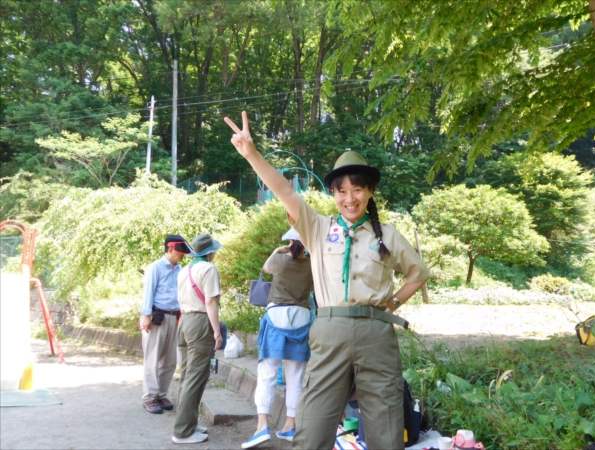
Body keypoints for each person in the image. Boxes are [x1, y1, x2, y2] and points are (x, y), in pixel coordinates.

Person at [225, 112, 430, 450]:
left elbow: (418, 273)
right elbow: (284, 190)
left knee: (387, 425)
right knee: (313, 426)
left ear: (370, 192)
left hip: (377, 335)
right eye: (342, 191)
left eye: (358, 190)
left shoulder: (388, 235)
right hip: (328, 331)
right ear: (333, 193)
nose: (350, 198)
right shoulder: (318, 229)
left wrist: (393, 303)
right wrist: (252, 154)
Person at [242, 228, 314, 449]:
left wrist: (276, 250)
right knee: (296, 376)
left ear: (290, 241)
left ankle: (262, 427)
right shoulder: (313, 265)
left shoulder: (279, 261)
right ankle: (290, 426)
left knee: (267, 374)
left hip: (277, 316)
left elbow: (265, 268)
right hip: (301, 318)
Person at [172, 234, 224, 444]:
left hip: (184, 322)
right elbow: (210, 302)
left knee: (186, 375)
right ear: (209, 252)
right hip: (200, 322)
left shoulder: (185, 269)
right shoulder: (209, 269)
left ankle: (188, 424)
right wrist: (217, 332)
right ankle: (183, 432)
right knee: (195, 378)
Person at [139, 235, 192, 414]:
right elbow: (148, 292)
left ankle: (161, 394)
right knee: (152, 358)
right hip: (157, 316)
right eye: (180, 252)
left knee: (170, 360)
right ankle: (150, 397)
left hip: (174, 317)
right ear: (170, 249)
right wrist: (146, 315)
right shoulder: (155, 268)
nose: (182, 256)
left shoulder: (180, 270)